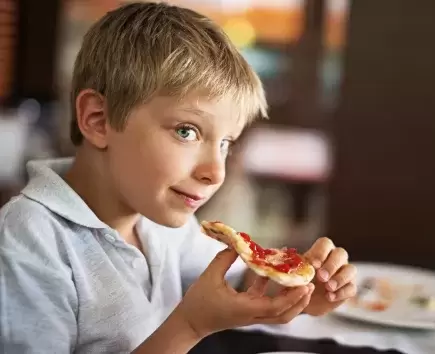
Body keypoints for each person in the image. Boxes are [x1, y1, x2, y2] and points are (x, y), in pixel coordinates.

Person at [0, 2, 356, 353]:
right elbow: (198, 315)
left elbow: (238, 282)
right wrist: (190, 326)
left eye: (225, 143)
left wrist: (298, 288)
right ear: (98, 120)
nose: (215, 172)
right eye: (187, 132)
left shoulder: (159, 219)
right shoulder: (29, 242)